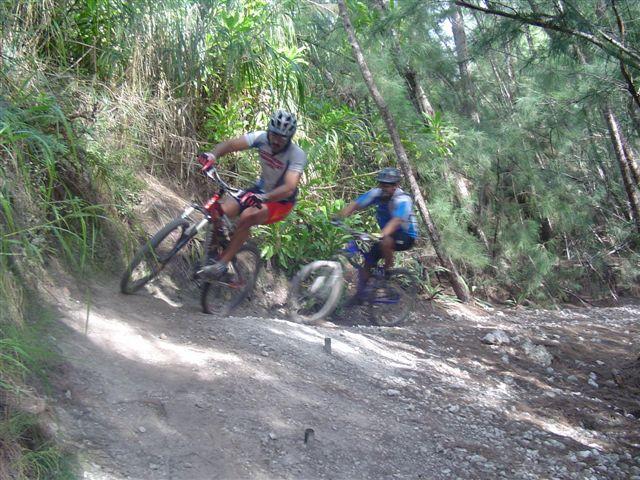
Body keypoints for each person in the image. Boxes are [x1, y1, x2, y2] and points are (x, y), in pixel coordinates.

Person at [196, 109, 307, 278]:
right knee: (220, 211)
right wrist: (213, 154)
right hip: (259, 191)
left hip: (281, 202)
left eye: (282, 137)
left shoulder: (296, 155)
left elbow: (289, 187)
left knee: (248, 216)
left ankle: (222, 265)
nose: (276, 140)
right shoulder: (261, 138)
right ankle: (212, 254)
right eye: (274, 134)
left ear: (289, 138)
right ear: (269, 130)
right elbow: (231, 145)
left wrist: (263, 198)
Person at [334, 167, 418, 286]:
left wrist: (382, 234)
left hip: (405, 236)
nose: (383, 188)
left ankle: (387, 269)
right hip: (386, 233)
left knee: (385, 240)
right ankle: (361, 297)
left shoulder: (403, 199)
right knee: (368, 263)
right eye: (381, 184)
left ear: (396, 186)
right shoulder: (376, 194)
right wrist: (339, 217)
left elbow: (397, 220)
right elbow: (355, 204)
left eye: (387, 185)